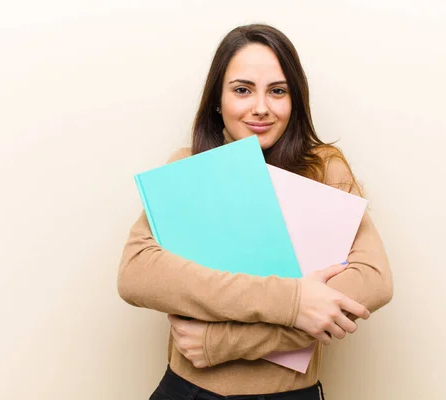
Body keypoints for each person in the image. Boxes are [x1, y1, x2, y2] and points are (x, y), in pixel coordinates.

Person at [118, 24, 393, 400]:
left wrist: (227, 341)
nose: (260, 107)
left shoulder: (325, 170)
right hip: (188, 391)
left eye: (277, 91)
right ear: (218, 100)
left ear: (295, 100)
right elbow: (137, 273)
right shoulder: (188, 166)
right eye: (242, 90)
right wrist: (294, 303)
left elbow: (373, 280)